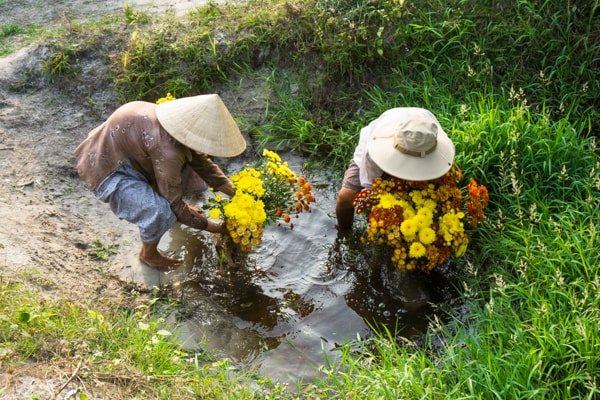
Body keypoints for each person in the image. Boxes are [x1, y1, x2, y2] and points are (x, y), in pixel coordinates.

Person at [74, 94, 246, 269]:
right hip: (108, 169)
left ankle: (178, 214)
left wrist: (241, 194)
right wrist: (218, 228)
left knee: (186, 171)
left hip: (131, 155)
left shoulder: (174, 125)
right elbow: (175, 205)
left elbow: (203, 166)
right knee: (162, 211)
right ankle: (148, 254)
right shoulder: (167, 149)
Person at [335, 107, 455, 230]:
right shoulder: (375, 150)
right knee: (345, 197)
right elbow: (371, 184)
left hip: (424, 149)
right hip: (382, 145)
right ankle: (343, 230)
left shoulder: (428, 133)